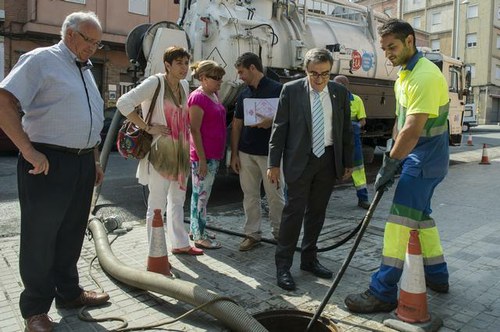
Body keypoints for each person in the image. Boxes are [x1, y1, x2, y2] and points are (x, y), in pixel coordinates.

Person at [0, 11, 110, 332]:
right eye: (89, 40)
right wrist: (28, 149)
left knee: (72, 231)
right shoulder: (41, 60)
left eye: (97, 43)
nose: (93, 47)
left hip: (80, 163)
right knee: (41, 237)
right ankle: (35, 309)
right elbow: (4, 101)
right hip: (47, 160)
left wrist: (94, 159)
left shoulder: (85, 69)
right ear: (70, 34)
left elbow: (89, 118)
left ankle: (69, 293)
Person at [345, 19, 451, 313]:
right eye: (384, 49)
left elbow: (413, 130)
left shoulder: (425, 76)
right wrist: (393, 154)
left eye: (392, 47)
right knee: (421, 218)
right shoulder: (405, 74)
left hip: (425, 161)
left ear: (409, 41)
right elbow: (400, 124)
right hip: (417, 159)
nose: (388, 54)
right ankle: (438, 275)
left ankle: (383, 290)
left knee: (398, 223)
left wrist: (391, 164)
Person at [267, 48, 354, 291]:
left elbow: (346, 129)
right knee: (293, 213)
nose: (319, 79)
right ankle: (283, 266)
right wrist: (273, 164)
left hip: (327, 160)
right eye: (314, 74)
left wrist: (348, 161)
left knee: (317, 212)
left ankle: (309, 259)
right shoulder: (291, 91)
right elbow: (279, 128)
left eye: (325, 74)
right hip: (299, 161)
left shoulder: (339, 93)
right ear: (305, 71)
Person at [117, 46, 203, 257]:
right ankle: (155, 251)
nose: (184, 68)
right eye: (179, 63)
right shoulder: (155, 82)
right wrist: (147, 127)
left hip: (180, 151)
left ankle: (180, 243)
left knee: (178, 200)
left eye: (186, 63)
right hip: (160, 152)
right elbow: (123, 103)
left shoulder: (184, 85)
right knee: (157, 204)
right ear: (167, 64)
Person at [230, 52, 285, 251]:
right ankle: (252, 235)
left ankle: (281, 235)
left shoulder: (279, 89)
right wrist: (234, 154)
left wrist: (272, 122)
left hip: (271, 155)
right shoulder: (243, 93)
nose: (240, 76)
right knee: (249, 195)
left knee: (275, 196)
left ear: (253, 68)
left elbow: (290, 121)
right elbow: (236, 125)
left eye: (241, 71)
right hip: (246, 153)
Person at [188, 60, 227, 249]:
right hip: (204, 156)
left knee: (201, 195)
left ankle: (196, 228)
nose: (220, 81)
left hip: (213, 154)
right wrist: (202, 160)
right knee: (201, 196)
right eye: (216, 78)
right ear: (203, 78)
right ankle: (199, 235)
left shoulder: (213, 95)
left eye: (221, 78)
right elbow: (194, 130)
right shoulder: (198, 98)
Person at [333, 75, 370, 209]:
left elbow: (363, 120)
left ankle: (363, 198)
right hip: (335, 138)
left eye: (336, 84)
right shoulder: (331, 99)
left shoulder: (356, 100)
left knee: (358, 169)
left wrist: (356, 126)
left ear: (344, 85)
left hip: (352, 139)